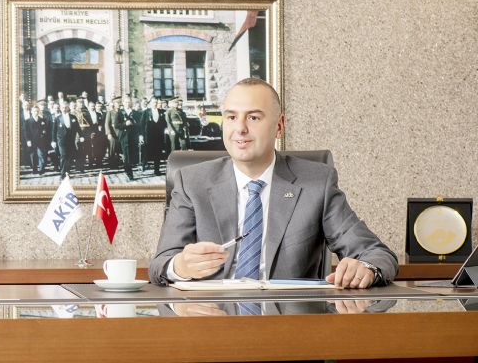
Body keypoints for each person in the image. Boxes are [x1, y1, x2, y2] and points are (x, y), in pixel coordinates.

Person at [149, 78, 398, 288]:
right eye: (232, 117)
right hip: (212, 318)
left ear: (279, 126)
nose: (240, 128)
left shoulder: (316, 183)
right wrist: (179, 266)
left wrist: (364, 268)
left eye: (253, 118)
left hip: (288, 321)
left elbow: (377, 254)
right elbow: (160, 265)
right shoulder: (192, 182)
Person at [52, 101, 81, 180]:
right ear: (60, 108)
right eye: (62, 108)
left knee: (69, 156)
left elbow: (78, 127)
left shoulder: (73, 117)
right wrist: (53, 141)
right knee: (63, 155)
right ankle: (62, 173)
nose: (64, 109)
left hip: (71, 140)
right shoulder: (58, 118)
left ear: (68, 108)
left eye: (65, 107)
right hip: (61, 140)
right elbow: (54, 130)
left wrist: (81, 136)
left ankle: (67, 171)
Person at [114, 96, 139, 180]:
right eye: (126, 102)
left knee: (132, 154)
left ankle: (127, 168)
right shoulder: (120, 113)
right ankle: (129, 173)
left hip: (133, 136)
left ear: (131, 103)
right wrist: (125, 124)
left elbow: (138, 124)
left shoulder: (135, 112)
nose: (128, 104)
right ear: (123, 103)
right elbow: (116, 125)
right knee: (127, 155)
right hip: (124, 136)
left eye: (129, 102)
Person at [140, 97, 166, 175]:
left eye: (156, 102)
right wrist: (141, 135)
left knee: (158, 153)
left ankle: (156, 170)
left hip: (158, 136)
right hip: (148, 135)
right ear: (150, 103)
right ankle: (143, 165)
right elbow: (142, 124)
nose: (155, 104)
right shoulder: (146, 112)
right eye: (153, 102)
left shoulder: (161, 112)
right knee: (146, 151)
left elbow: (164, 123)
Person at [25, 106, 49, 175]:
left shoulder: (42, 120)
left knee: (41, 154)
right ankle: (34, 169)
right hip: (32, 140)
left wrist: (43, 133)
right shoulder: (28, 121)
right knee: (33, 155)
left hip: (40, 140)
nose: (36, 113)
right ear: (31, 112)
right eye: (34, 111)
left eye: (37, 111)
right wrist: (28, 140)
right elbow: (26, 132)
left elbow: (45, 129)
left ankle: (41, 169)